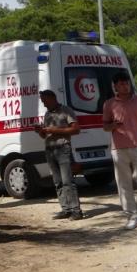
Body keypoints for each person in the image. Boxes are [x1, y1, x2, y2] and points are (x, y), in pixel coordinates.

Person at [102, 71, 137, 230]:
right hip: (118, 148)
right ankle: (132, 215)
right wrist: (113, 126)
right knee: (123, 183)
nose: (125, 86)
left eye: (126, 83)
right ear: (115, 87)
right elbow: (105, 126)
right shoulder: (109, 104)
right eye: (121, 84)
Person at [36, 90, 84, 220]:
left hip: (63, 148)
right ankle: (65, 209)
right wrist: (40, 131)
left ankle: (76, 210)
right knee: (57, 182)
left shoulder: (66, 111)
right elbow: (45, 135)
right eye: (42, 101)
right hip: (50, 150)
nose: (43, 103)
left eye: (44, 100)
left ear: (52, 98)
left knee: (68, 181)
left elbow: (76, 129)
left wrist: (54, 130)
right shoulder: (47, 114)